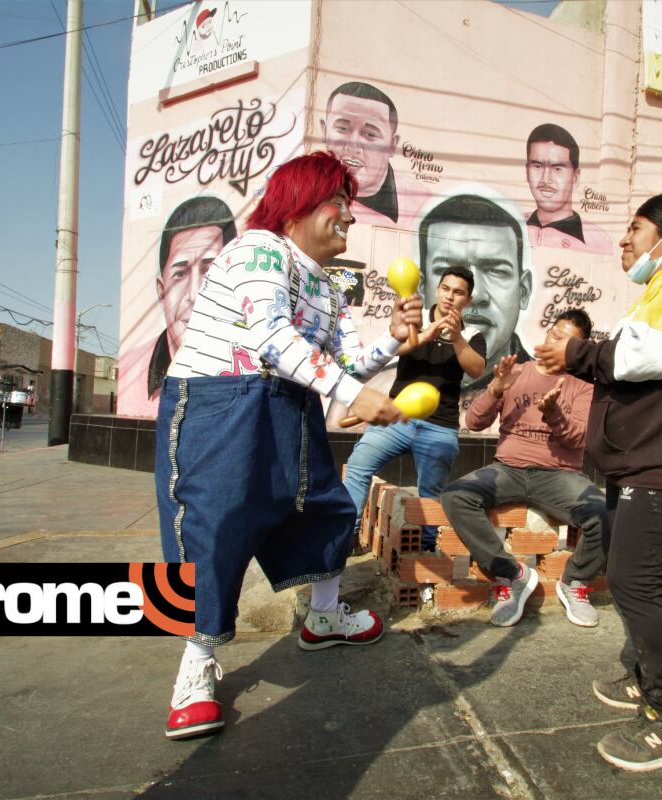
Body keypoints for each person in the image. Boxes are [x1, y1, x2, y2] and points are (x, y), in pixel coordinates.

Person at [155, 151, 423, 740]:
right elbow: (272, 336)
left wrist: (394, 342)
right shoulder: (258, 249)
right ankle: (196, 666)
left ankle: (323, 617)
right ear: (300, 202)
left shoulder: (328, 285)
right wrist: (351, 394)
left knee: (325, 511)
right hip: (219, 404)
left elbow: (348, 358)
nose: (349, 219)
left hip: (287, 406)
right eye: (339, 206)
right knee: (213, 529)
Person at [534, 192, 662, 773]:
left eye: (636, 228)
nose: (625, 238)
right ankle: (643, 678)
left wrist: (575, 351)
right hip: (639, 463)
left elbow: (647, 358)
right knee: (635, 574)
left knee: (633, 580)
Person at [440, 309, 608, 628]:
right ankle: (511, 575)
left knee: (604, 513)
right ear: (547, 334)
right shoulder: (515, 372)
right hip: (508, 468)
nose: (558, 342)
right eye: (556, 334)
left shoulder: (584, 386)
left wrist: (553, 412)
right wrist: (495, 389)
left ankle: (574, 582)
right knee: (455, 496)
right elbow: (474, 423)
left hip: (560, 474)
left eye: (569, 342)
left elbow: (578, 441)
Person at [342, 267, 487, 550]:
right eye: (446, 289)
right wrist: (425, 335)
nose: (450, 297)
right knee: (358, 467)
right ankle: (347, 537)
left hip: (440, 426)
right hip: (397, 417)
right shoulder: (414, 320)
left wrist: (456, 337)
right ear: (437, 290)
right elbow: (392, 349)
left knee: (430, 493)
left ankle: (426, 551)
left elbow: (476, 368)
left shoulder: (472, 334)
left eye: (458, 293)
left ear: (467, 301)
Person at [418, 192, 533, 388]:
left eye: (495, 270)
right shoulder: (384, 384)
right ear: (423, 287)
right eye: (446, 273)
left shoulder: (539, 388)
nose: (475, 294)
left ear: (523, 291)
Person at [148, 196, 237, 399]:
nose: (195, 295)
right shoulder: (135, 367)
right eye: (180, 274)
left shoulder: (259, 360)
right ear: (161, 289)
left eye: (211, 270)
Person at [320, 81, 414, 226]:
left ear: (392, 145)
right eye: (343, 129)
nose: (353, 145)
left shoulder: (418, 205)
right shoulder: (302, 193)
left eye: (370, 134)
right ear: (324, 132)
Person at [524, 124, 614, 254]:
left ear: (575, 178)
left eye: (557, 169)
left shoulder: (597, 241)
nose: (545, 179)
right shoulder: (511, 226)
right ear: (527, 172)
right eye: (537, 166)